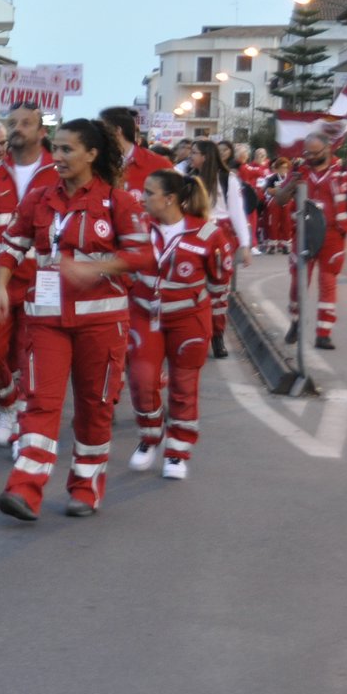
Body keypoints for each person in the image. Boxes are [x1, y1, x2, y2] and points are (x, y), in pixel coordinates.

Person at [0, 118, 153, 521]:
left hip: (102, 326)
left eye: (67, 150)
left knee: (94, 406)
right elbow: (12, 245)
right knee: (40, 403)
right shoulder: (39, 199)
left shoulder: (119, 202)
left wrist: (99, 268)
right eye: (56, 148)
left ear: (91, 154)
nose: (58, 157)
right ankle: (24, 490)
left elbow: (143, 255)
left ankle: (86, 486)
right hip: (46, 321)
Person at [127, 171, 227, 480]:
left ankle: (178, 451)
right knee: (142, 381)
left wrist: (215, 326)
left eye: (148, 192)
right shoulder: (139, 228)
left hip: (189, 320)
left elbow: (220, 282)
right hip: (145, 314)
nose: (141, 198)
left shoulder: (209, 234)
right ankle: (150, 436)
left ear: (169, 198)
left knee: (184, 387)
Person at [0, 102, 56, 447]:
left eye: (26, 123)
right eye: (13, 123)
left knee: (31, 361)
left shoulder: (59, 173)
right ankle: (8, 407)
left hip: (44, 283)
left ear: (42, 132)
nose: (18, 128)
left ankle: (24, 428)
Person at [272, 132, 347, 350]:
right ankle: (296, 322)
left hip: (333, 235)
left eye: (315, 153)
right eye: (307, 152)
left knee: (328, 282)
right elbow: (280, 199)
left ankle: (323, 333)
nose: (309, 156)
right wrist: (292, 185)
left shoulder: (344, 171)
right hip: (304, 233)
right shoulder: (300, 170)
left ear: (328, 149)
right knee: (299, 280)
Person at [188, 139, 250, 358]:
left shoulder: (227, 179)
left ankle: (217, 335)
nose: (190, 156)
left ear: (205, 156)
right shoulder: (188, 177)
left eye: (194, 153)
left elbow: (237, 212)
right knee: (193, 287)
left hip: (219, 235)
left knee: (218, 290)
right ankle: (197, 334)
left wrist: (245, 244)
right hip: (194, 234)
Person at [99, 106, 172, 201]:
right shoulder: (97, 164)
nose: (97, 134)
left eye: (101, 129)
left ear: (117, 131)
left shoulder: (160, 165)